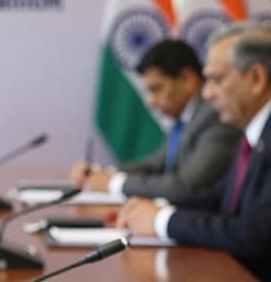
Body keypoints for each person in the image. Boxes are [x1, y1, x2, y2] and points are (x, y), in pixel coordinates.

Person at [116, 22, 271, 282]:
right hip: (235, 278)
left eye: (216, 79)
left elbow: (256, 233)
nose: (207, 93)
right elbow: (220, 197)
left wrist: (163, 221)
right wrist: (155, 209)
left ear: (257, 78)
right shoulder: (259, 124)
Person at [72, 39, 239, 203]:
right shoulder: (186, 116)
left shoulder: (216, 115)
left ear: (187, 79)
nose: (149, 102)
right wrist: (103, 173)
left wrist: (113, 183)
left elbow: (185, 186)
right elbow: (156, 163)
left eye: (156, 89)